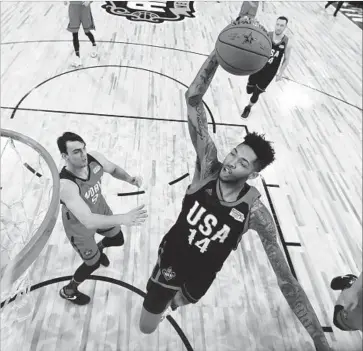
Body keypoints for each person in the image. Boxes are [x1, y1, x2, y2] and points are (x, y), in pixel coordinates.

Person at [139, 23, 331, 351]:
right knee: (146, 328)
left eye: (242, 163)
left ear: (253, 175)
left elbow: (287, 282)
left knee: (181, 301)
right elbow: (193, 99)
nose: (231, 162)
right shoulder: (207, 169)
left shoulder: (255, 213)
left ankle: (178, 302)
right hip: (169, 263)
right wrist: (218, 53)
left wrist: (317, 337)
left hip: (199, 283)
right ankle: (165, 303)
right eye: (234, 153)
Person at [57, 132, 147, 305]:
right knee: (93, 264)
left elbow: (113, 169)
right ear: (64, 156)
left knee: (118, 239)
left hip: (100, 209)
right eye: (76, 151)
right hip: (80, 227)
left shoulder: (94, 159)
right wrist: (124, 218)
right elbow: (88, 220)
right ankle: (69, 290)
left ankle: (99, 248)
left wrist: (129, 178)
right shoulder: (66, 185)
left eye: (84, 148)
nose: (83, 154)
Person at [241, 16, 292, 118]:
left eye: (282, 25)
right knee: (249, 90)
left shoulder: (287, 42)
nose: (278, 27)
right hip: (258, 66)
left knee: (256, 93)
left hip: (270, 72)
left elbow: (286, 59)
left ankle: (248, 107)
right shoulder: (266, 35)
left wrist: (280, 73)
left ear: (285, 27)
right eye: (277, 24)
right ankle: (252, 86)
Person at [64, 1, 97, 67]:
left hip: (84, 7)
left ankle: (94, 45)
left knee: (87, 32)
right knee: (74, 33)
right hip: (73, 7)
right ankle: (77, 58)